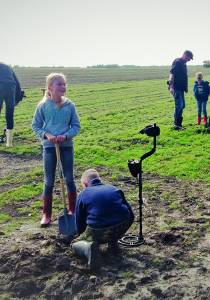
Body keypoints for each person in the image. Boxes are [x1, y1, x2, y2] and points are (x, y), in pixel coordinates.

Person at [32, 73, 80, 227]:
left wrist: (65, 136)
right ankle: (46, 214)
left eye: (64, 84)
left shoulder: (70, 105)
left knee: (69, 179)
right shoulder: (43, 106)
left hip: (66, 147)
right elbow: (36, 125)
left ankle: (73, 210)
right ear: (50, 87)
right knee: (49, 181)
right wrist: (47, 135)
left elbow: (76, 126)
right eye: (59, 84)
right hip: (49, 148)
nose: (63, 87)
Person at [71, 169, 134, 270]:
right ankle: (113, 243)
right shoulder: (113, 188)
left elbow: (79, 222)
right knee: (114, 222)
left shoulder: (83, 194)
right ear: (99, 179)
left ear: (85, 184)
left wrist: (83, 237)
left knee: (74, 244)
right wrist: (122, 231)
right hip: (123, 224)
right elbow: (131, 214)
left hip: (100, 230)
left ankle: (88, 248)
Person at [168, 50, 193, 130]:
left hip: (181, 89)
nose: (189, 60)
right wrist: (171, 87)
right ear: (185, 55)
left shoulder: (183, 63)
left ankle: (179, 124)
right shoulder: (177, 62)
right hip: (176, 87)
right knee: (179, 105)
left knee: (182, 105)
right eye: (189, 58)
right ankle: (176, 124)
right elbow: (172, 73)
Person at [0, 63, 23, 147]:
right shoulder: (7, 66)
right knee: (9, 115)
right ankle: (9, 143)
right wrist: (18, 97)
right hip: (11, 87)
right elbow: (17, 82)